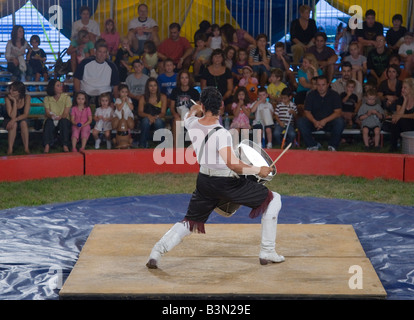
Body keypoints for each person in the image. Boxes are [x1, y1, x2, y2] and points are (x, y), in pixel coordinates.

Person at [146, 86, 283, 269]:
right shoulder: (221, 133)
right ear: (221, 106)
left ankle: (156, 251)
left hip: (204, 181)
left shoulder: (192, 124)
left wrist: (196, 109)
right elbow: (234, 165)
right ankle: (267, 251)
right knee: (274, 199)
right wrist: (259, 170)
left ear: (202, 105)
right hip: (225, 183)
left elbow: (189, 115)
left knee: (189, 222)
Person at [297, 75, 345, 151]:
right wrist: (314, 121)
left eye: (323, 85)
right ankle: (312, 145)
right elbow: (307, 112)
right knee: (301, 121)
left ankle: (332, 146)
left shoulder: (334, 95)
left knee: (340, 121)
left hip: (329, 122)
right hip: (314, 122)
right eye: (318, 85)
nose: (321, 87)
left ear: (328, 84)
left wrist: (325, 121)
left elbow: (338, 112)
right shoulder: (311, 95)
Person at [170, 70, 200, 147]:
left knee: (194, 122)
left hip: (191, 115)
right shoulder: (175, 91)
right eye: (182, 78)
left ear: (189, 79)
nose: (184, 80)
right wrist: (175, 114)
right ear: (179, 79)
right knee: (177, 121)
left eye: (186, 78)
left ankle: (193, 146)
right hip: (179, 115)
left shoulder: (194, 92)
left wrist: (192, 116)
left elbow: (198, 107)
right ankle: (177, 146)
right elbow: (172, 107)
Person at [42, 79, 72, 153]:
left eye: (61, 85)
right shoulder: (47, 99)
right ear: (53, 88)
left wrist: (60, 117)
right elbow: (47, 112)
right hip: (52, 118)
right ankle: (47, 145)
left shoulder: (67, 98)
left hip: (63, 118)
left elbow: (66, 113)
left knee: (64, 121)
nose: (61, 87)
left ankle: (65, 145)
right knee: (49, 122)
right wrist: (52, 116)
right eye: (58, 86)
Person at [138, 77, 167, 148]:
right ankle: (142, 145)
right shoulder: (143, 98)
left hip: (159, 118)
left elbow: (163, 113)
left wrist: (155, 117)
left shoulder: (163, 97)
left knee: (158, 122)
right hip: (147, 118)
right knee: (145, 121)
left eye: (155, 85)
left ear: (157, 87)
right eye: (150, 86)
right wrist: (149, 116)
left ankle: (163, 145)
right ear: (147, 87)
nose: (153, 88)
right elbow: (140, 112)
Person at [3, 81, 31, 155]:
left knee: (24, 123)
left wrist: (14, 120)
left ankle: (26, 148)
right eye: (10, 89)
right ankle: (10, 148)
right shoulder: (8, 98)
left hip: (21, 118)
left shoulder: (27, 97)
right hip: (8, 119)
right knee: (14, 124)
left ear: (19, 92)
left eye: (13, 90)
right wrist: (14, 102)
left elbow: (25, 114)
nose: (10, 91)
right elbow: (11, 116)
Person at [389, 78, 414, 152]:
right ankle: (394, 146)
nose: (402, 89)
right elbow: (399, 114)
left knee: (399, 119)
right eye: (402, 87)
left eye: (405, 88)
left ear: (411, 89)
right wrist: (405, 101)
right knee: (395, 121)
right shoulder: (401, 99)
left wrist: (400, 116)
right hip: (405, 124)